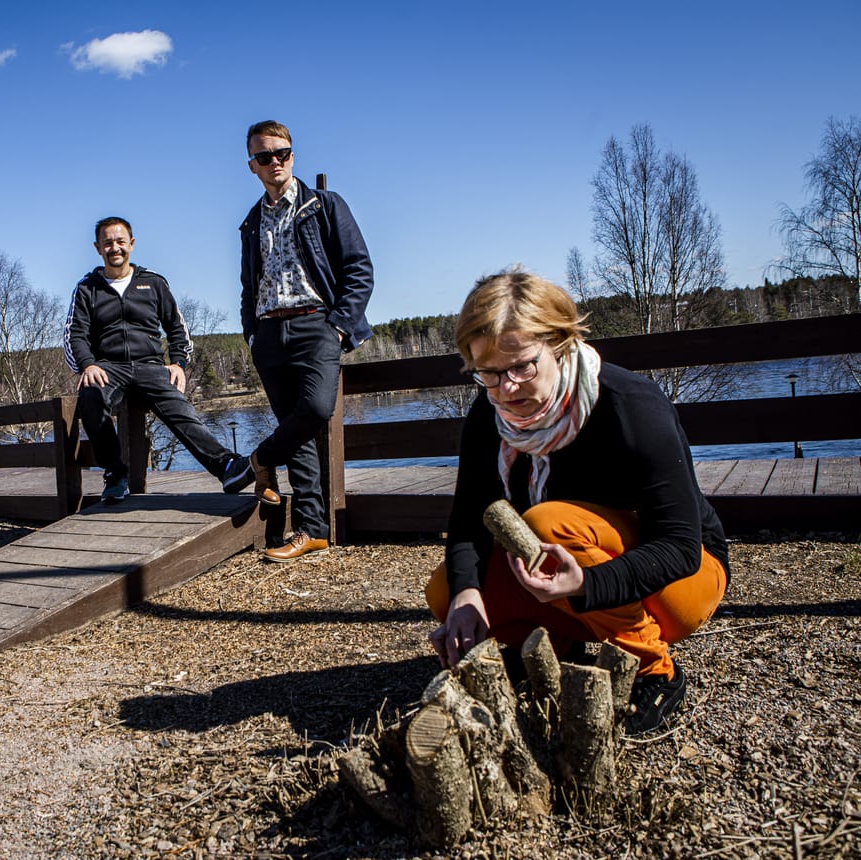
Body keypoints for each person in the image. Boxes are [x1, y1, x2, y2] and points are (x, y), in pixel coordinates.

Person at [425, 268, 729, 734]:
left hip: (682, 582)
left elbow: (681, 548)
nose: (506, 389)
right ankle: (557, 642)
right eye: (487, 373)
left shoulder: (631, 404)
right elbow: (468, 517)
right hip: (577, 582)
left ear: (561, 344)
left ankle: (654, 670)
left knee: (547, 523)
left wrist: (586, 585)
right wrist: (469, 593)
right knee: (446, 590)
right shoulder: (490, 415)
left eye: (522, 366)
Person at [239, 120, 374, 562]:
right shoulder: (251, 222)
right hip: (269, 333)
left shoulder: (324, 206)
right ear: (252, 165)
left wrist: (337, 326)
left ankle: (260, 459)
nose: (275, 162)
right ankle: (311, 530)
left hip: (317, 324)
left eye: (282, 153)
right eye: (265, 156)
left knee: (315, 409)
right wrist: (252, 332)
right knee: (297, 434)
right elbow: (248, 286)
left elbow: (359, 268)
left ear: (293, 156)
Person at [64, 216, 253, 502]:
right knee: (90, 397)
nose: (115, 248)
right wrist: (87, 364)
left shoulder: (153, 283)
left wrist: (179, 363)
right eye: (107, 243)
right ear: (97, 248)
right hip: (107, 367)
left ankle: (227, 466)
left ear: (132, 244)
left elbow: (177, 328)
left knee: (179, 408)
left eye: (120, 242)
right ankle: (115, 475)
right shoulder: (86, 288)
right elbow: (74, 335)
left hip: (150, 365)